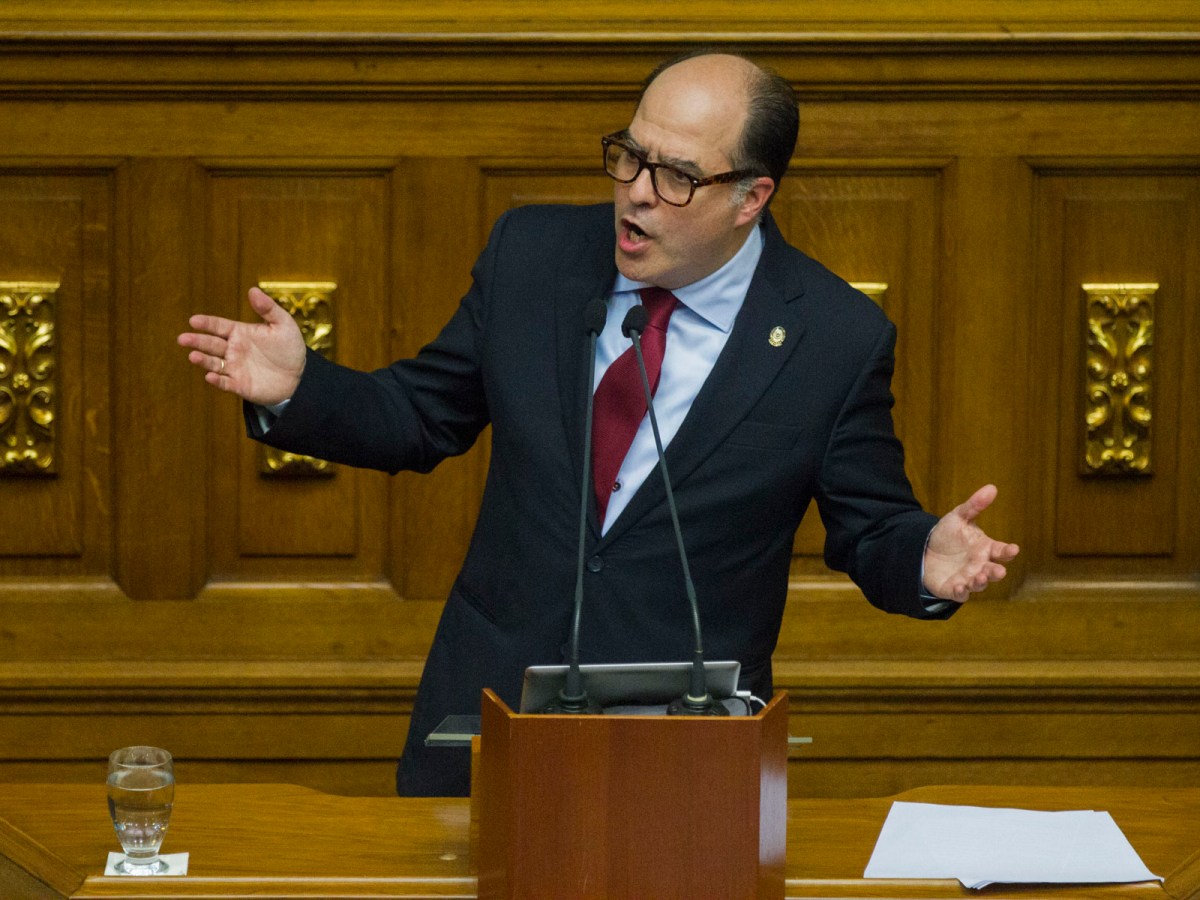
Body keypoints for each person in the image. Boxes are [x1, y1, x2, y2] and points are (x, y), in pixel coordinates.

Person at [179, 51, 1019, 796]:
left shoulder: (831, 338)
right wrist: (300, 388)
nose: (638, 194)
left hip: (688, 754)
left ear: (750, 197)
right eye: (631, 157)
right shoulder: (533, 257)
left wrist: (921, 559)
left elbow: (869, 527)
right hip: (489, 719)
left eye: (677, 176)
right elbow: (419, 417)